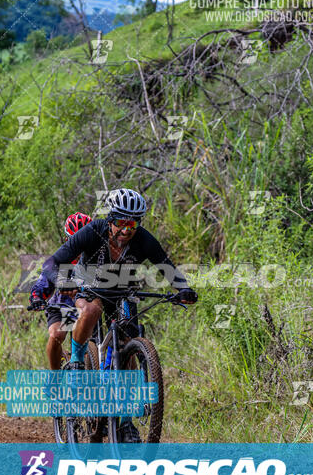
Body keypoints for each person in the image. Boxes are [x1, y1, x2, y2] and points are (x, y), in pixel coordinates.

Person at [30, 188, 198, 442]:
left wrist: (183, 289)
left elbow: (167, 267)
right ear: (110, 220)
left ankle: (126, 423)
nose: (127, 230)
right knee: (92, 309)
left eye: (133, 224)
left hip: (123, 293)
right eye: (121, 223)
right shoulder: (93, 231)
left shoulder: (144, 239)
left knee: (127, 350)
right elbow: (52, 263)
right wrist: (61, 282)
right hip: (88, 288)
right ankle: (76, 363)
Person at [30, 212, 92, 370]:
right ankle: (55, 376)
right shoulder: (62, 258)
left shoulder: (99, 257)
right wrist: (37, 296)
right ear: (67, 240)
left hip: (89, 306)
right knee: (57, 334)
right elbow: (45, 277)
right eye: (75, 241)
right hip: (63, 305)